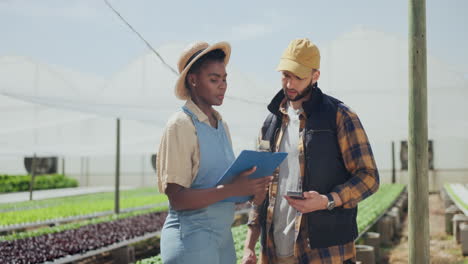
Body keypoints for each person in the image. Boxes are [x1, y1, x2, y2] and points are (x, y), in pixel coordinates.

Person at [242, 38, 380, 264]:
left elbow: (369, 177)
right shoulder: (271, 124)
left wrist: (328, 200)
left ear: (315, 76)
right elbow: (261, 186)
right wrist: (249, 246)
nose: (289, 84)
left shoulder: (339, 116)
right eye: (286, 75)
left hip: (323, 254)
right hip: (275, 251)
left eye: (298, 77)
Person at [156, 41, 272, 264]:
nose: (223, 86)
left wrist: (249, 189)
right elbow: (177, 197)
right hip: (191, 240)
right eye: (214, 79)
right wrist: (231, 189)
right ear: (193, 80)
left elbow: (221, 187)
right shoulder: (181, 124)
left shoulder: (220, 125)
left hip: (222, 239)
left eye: (224, 79)